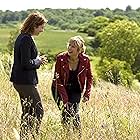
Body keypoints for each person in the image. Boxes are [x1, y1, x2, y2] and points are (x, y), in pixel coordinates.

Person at [10, 11, 47, 139]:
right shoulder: (26, 39)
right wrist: (38, 61)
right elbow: (26, 63)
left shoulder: (22, 37)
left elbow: (24, 60)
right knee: (38, 111)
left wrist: (37, 59)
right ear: (34, 25)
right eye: (41, 27)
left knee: (28, 112)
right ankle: (32, 136)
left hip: (20, 81)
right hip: (25, 82)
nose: (42, 30)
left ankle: (25, 136)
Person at [51, 35, 93, 137]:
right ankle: (66, 135)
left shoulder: (85, 60)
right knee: (66, 111)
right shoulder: (60, 58)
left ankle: (78, 136)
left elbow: (90, 77)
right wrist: (65, 99)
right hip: (59, 88)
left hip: (76, 89)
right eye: (69, 45)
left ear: (79, 49)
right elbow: (57, 79)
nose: (70, 48)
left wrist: (87, 93)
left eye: (73, 46)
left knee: (74, 112)